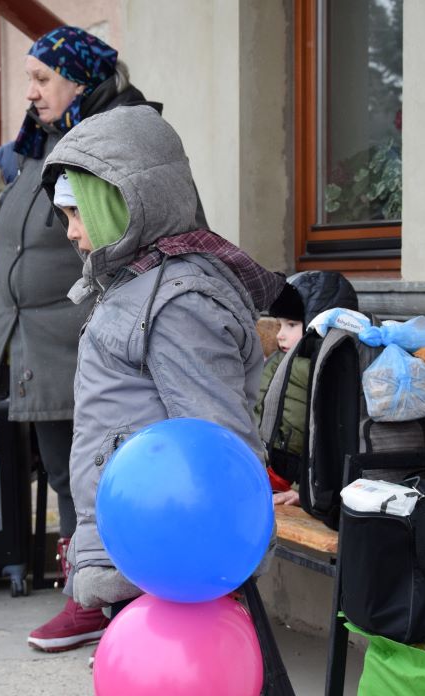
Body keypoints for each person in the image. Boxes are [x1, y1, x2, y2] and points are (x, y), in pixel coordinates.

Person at [34, 104, 283, 642]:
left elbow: (217, 437)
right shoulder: (135, 286)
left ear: (122, 203)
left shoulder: (178, 301)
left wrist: (217, 552)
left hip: (169, 541)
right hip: (139, 536)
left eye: (78, 213)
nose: (71, 233)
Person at [0, 26, 158, 654]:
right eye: (28, 77)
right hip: (36, 337)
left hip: (86, 332)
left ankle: (99, 597)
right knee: (64, 470)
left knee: (93, 473)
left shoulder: (117, 137)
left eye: (42, 78)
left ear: (81, 80)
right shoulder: (42, 145)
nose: (30, 91)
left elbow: (139, 229)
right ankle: (85, 590)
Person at [255, 272, 359, 506]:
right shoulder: (279, 360)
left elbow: (328, 438)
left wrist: (302, 489)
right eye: (280, 324)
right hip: (267, 467)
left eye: (291, 325)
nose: (280, 334)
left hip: (301, 478)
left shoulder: (327, 367)